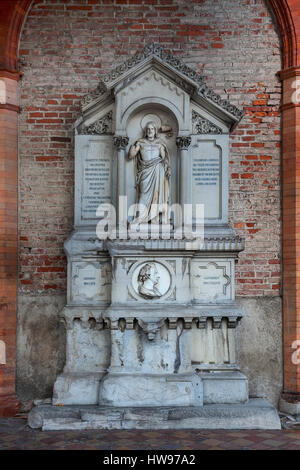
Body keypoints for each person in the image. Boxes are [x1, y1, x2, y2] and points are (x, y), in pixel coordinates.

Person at [128, 121, 170, 224]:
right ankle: (141, 218)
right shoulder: (141, 142)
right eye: (148, 129)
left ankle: (154, 218)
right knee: (143, 194)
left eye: (151, 129)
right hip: (145, 171)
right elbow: (131, 156)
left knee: (157, 194)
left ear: (155, 131)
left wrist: (167, 167)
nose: (149, 131)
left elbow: (164, 159)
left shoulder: (160, 143)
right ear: (145, 131)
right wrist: (132, 149)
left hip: (157, 170)